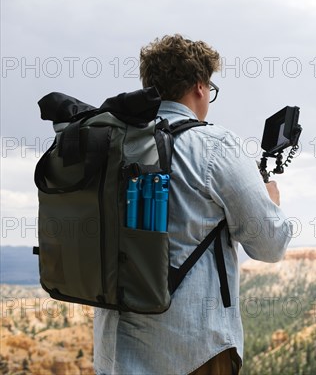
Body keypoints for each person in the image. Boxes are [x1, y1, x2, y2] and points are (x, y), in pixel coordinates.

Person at [93, 34, 293, 375]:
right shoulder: (214, 145)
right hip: (192, 352)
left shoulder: (113, 143)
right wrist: (271, 202)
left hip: (114, 352)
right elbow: (270, 245)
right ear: (200, 86)